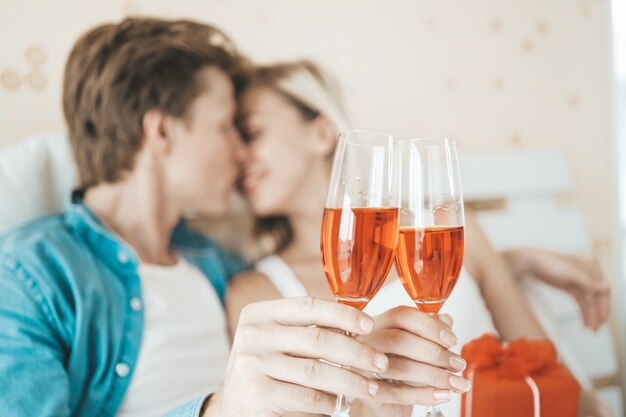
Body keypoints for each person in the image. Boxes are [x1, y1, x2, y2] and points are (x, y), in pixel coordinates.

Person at [0, 19, 467, 417]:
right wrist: (217, 410)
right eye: (226, 126)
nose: (242, 154)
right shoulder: (28, 274)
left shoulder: (222, 267)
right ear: (161, 131)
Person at [227, 60, 612, 416]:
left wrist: (516, 261)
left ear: (323, 132)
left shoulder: (450, 234)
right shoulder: (254, 296)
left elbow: (553, 377)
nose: (236, 154)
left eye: (251, 133)